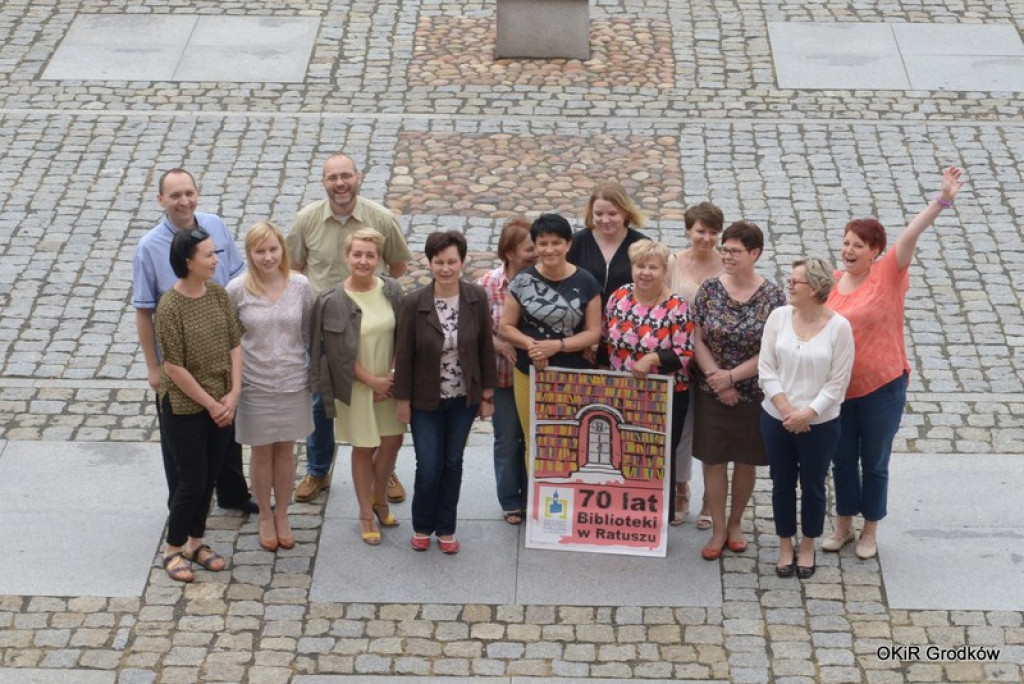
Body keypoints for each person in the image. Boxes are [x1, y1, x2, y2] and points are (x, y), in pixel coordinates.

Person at [823, 167, 963, 560]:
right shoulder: (832, 282)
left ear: (875, 252)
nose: (849, 251)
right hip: (840, 387)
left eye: (858, 246)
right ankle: (844, 524)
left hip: (883, 385)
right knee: (842, 459)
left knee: (875, 460)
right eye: (846, 243)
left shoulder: (889, 274)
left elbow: (911, 234)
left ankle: (870, 530)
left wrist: (942, 199)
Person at [286, 153, 412, 504]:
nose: (340, 184)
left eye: (346, 176)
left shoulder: (381, 218)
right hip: (325, 328)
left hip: (374, 323)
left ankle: (384, 471)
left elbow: (398, 267)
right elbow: (295, 269)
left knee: (379, 395)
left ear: (358, 178)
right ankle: (318, 469)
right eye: (332, 178)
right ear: (323, 183)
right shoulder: (306, 220)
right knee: (320, 402)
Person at [132, 168, 256, 514]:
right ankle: (182, 507)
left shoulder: (216, 225)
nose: (184, 201)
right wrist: (153, 368)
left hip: (218, 351)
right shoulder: (148, 248)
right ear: (161, 201)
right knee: (180, 443)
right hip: (179, 360)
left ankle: (233, 493)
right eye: (175, 196)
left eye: (189, 192)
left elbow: (235, 280)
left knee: (226, 430)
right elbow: (144, 311)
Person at [394, 231, 496, 554]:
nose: (446, 268)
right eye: (439, 262)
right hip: (426, 400)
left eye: (452, 261)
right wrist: (403, 401)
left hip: (462, 400)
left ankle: (446, 527)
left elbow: (485, 349)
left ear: (462, 262)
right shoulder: (414, 302)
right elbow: (404, 354)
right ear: (429, 263)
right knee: (428, 465)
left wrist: (487, 396)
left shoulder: (476, 297)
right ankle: (423, 525)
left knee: (453, 462)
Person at [691, 221, 785, 561]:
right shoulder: (709, 289)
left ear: (755, 254)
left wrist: (732, 378)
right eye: (725, 250)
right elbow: (698, 339)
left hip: (752, 391)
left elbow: (774, 350)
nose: (727, 256)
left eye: (734, 251)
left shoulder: (773, 296)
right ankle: (717, 527)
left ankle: (735, 524)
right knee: (714, 460)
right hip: (711, 388)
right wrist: (717, 378)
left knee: (746, 461)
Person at [155, 228, 243, 583]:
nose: (215, 260)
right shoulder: (169, 307)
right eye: (208, 255)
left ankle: (195, 542)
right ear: (188, 262)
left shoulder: (219, 295)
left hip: (223, 401)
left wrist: (234, 393)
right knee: (190, 479)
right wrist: (211, 404)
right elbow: (173, 367)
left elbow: (235, 343)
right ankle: (172, 548)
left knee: (209, 476)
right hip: (187, 407)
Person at [759, 258, 854, 579]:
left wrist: (807, 414)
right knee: (781, 483)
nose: (789, 285)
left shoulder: (839, 327)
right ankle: (785, 543)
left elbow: (837, 382)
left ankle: (808, 544)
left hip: (820, 423)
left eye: (795, 281)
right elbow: (766, 368)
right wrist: (786, 410)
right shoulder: (778, 318)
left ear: (815, 288)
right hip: (776, 417)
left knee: (813, 485)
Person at [309, 229, 405, 545]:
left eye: (370, 255)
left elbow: (402, 336)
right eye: (357, 254)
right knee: (364, 447)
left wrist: (389, 377)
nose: (363, 261)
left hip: (389, 382)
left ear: (379, 259)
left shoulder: (392, 290)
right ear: (346, 257)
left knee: (391, 443)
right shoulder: (332, 300)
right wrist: (372, 381)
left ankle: (380, 500)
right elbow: (333, 354)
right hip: (357, 387)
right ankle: (365, 512)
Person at [227, 222, 314, 552]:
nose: (267, 257)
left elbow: (307, 331)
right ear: (249, 254)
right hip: (255, 382)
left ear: (283, 250)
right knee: (262, 451)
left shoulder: (301, 286)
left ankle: (283, 514)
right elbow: (231, 339)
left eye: (273, 249)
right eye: (259, 251)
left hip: (294, 380)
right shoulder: (237, 290)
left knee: (286, 451)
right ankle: (265, 513)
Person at [499, 214, 603, 460]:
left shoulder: (586, 282)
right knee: (533, 439)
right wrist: (533, 347)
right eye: (543, 243)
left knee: (572, 438)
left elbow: (593, 332)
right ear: (535, 246)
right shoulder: (523, 281)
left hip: (573, 372)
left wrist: (556, 346)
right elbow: (506, 327)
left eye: (556, 242)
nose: (549, 249)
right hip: (530, 371)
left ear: (568, 244)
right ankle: (535, 498)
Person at [605, 240, 694, 523]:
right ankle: (624, 512)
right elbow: (606, 336)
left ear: (664, 270)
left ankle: (657, 518)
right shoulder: (618, 296)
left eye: (652, 267)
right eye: (640, 266)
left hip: (665, 394)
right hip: (623, 389)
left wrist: (653, 358)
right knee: (624, 447)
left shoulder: (677, 306)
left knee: (659, 454)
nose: (645, 272)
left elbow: (684, 353)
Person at [668, 201, 725, 527]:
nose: (706, 238)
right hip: (678, 359)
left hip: (714, 358)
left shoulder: (725, 263)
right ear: (689, 230)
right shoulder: (673, 262)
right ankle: (680, 488)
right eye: (701, 231)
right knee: (681, 428)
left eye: (712, 232)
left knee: (712, 429)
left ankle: (709, 497)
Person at [478, 219, 536, 525]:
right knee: (507, 438)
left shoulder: (543, 280)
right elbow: (473, 327)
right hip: (503, 376)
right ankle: (510, 500)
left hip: (537, 377)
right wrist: (498, 343)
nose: (535, 254)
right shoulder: (488, 284)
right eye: (529, 248)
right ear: (509, 253)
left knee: (534, 439)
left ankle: (533, 496)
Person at [568, 182, 649, 367]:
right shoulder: (576, 243)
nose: (605, 220)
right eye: (599, 214)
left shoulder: (641, 244)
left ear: (625, 213)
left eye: (612, 214)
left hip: (626, 334)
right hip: (580, 333)